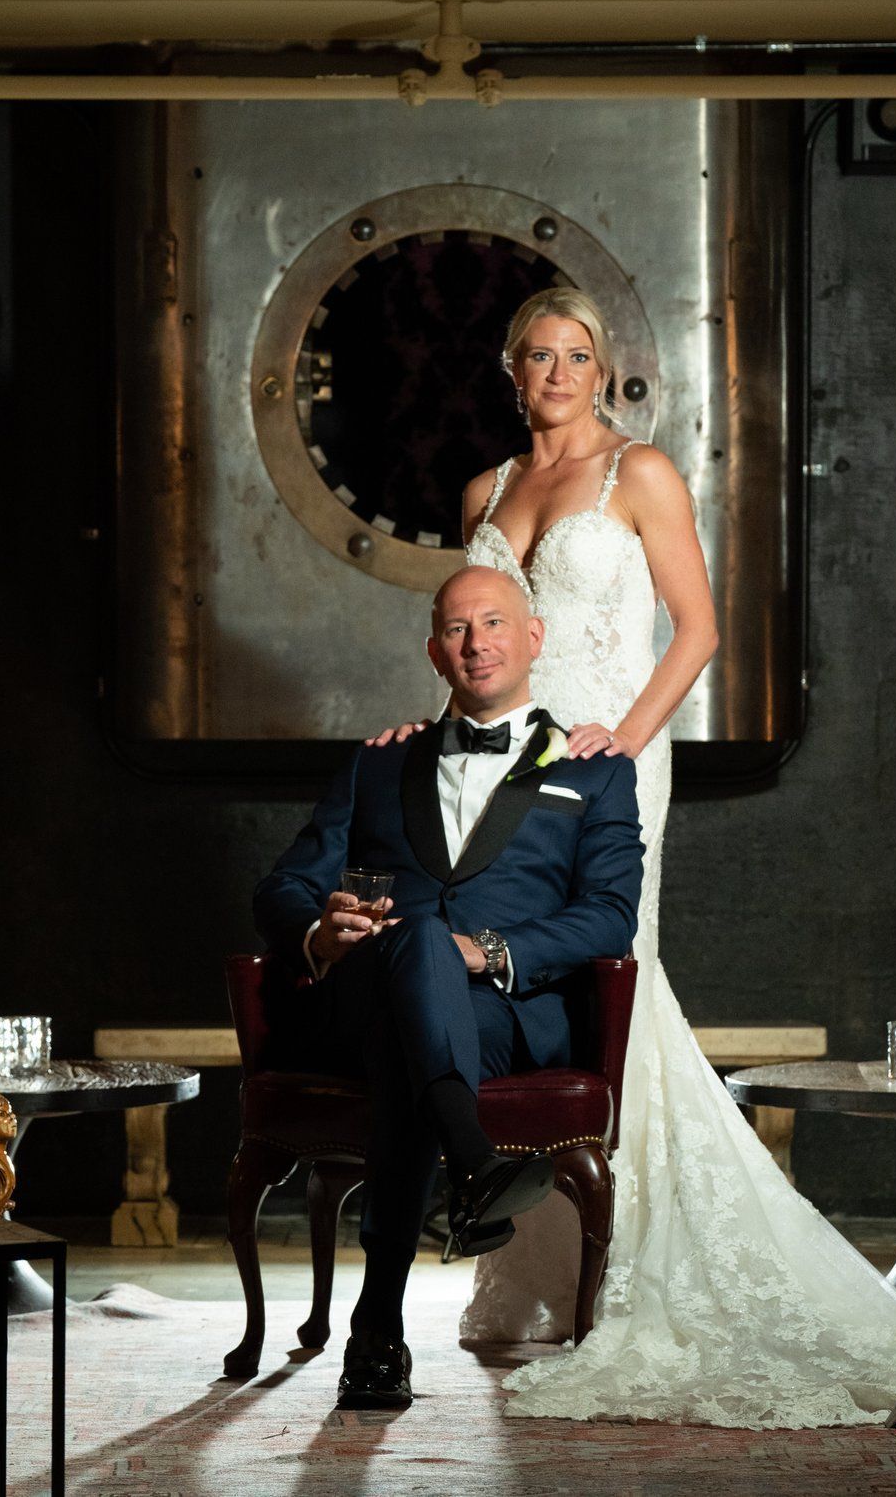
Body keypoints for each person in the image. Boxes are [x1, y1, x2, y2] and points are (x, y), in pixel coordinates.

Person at [371, 288, 896, 1427]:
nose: (557, 372)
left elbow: (699, 625)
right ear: (509, 370)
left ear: (601, 371)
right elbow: (475, 634)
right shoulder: (488, 490)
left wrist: (629, 730)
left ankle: (635, 1259)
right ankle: (539, 1244)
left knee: (607, 974)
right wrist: (438, 748)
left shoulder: (642, 475)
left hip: (609, 756)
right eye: (537, 355)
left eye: (577, 356)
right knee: (509, 968)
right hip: (499, 770)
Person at [253, 564, 644, 1409]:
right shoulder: (378, 762)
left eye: (495, 623)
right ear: (435, 652)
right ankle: (472, 1160)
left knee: (414, 1025)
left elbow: (610, 918)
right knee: (413, 956)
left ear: (533, 638)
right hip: (356, 999)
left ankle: (376, 1330)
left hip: (501, 1009)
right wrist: (319, 932)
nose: (479, 642)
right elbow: (282, 887)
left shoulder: (596, 768)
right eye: (459, 629)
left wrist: (491, 950)